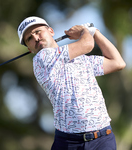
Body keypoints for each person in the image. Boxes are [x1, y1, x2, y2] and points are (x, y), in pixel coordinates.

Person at [17, 16, 126, 150]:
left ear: (51, 31)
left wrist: (95, 32)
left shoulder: (81, 59)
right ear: (29, 49)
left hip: (102, 139)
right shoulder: (41, 59)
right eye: (29, 38)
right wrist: (84, 31)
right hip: (69, 143)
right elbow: (87, 44)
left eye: (38, 31)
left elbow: (118, 62)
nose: (36, 38)